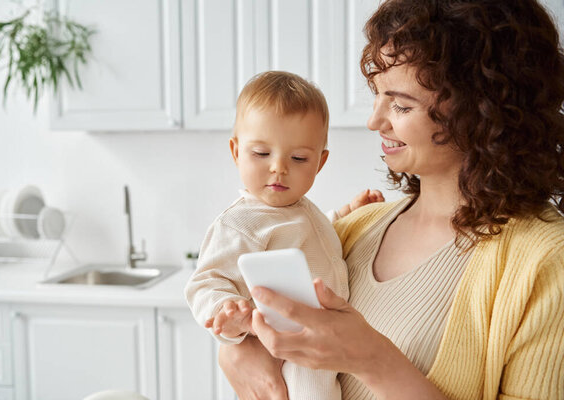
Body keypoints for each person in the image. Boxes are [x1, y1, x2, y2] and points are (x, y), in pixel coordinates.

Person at [217, 0, 564, 399]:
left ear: (482, 111)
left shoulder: (546, 261)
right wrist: (237, 350)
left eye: (400, 104)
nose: (375, 121)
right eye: (378, 96)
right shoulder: (351, 230)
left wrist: (371, 358)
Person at [184, 70, 384, 400]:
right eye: (261, 154)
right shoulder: (240, 223)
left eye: (298, 158)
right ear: (236, 152)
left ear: (320, 163)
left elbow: (311, 240)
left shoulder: (301, 209)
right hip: (286, 347)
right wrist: (227, 313)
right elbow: (204, 282)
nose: (279, 167)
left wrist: (346, 213)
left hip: (316, 336)